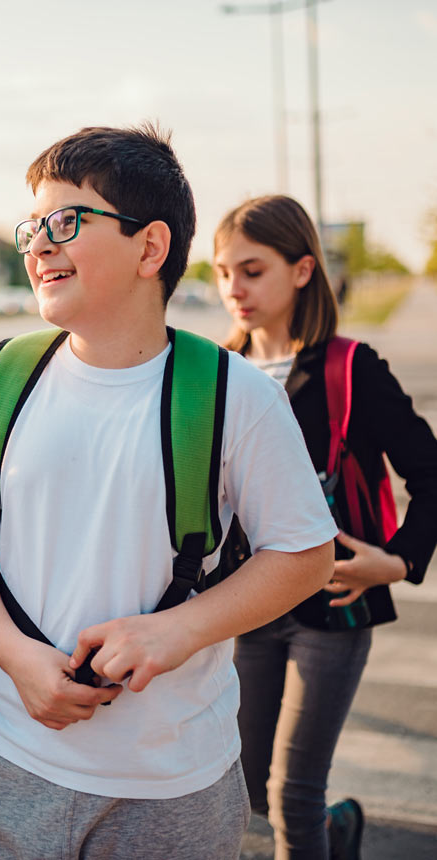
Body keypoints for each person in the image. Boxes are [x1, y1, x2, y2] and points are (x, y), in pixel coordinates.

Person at [0, 124, 338, 860]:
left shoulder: (234, 395)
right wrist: (16, 656)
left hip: (174, 786)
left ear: (151, 248)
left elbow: (304, 553)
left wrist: (178, 630)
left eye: (67, 221)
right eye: (32, 227)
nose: (39, 245)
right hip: (6, 761)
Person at [213, 194, 437, 860]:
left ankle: (320, 825)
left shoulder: (350, 368)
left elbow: (430, 472)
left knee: (292, 797)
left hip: (337, 605)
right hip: (248, 604)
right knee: (249, 787)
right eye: (223, 273)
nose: (234, 289)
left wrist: (395, 562)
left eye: (252, 271)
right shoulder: (216, 372)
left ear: (303, 270)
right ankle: (340, 829)